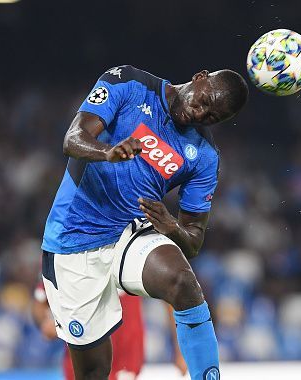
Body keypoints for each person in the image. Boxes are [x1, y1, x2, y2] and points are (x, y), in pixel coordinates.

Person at [41, 64, 248, 380]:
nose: (201, 114)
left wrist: (171, 226)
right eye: (205, 101)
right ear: (200, 77)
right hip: (72, 238)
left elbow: (193, 240)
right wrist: (107, 151)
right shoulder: (128, 83)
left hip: (130, 231)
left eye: (212, 117)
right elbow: (73, 139)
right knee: (94, 371)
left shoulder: (204, 156)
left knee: (183, 282)